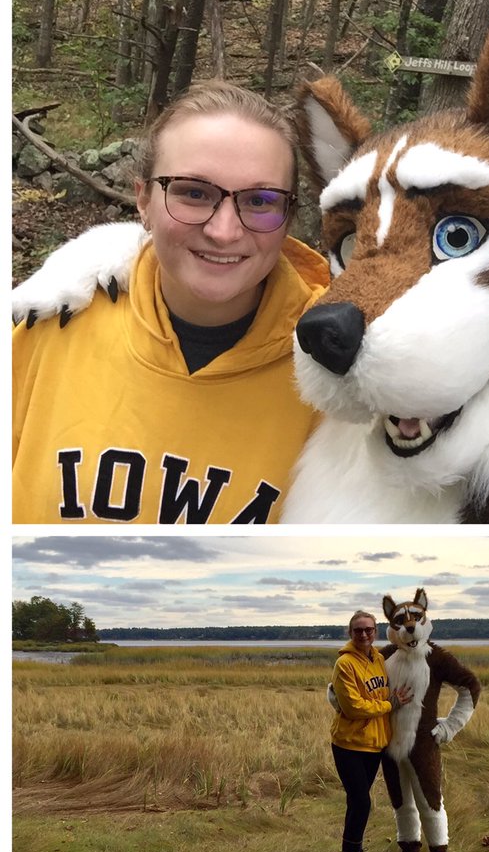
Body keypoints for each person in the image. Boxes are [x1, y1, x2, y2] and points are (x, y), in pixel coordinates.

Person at [12, 80, 330, 524]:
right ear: (143, 199)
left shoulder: (335, 375)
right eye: (194, 193)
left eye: (259, 200)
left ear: (289, 216)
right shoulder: (41, 334)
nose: (224, 231)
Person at [329, 610, 412, 852]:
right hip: (349, 744)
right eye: (358, 630)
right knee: (361, 801)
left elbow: (382, 691)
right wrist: (390, 704)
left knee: (358, 802)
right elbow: (353, 707)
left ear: (375, 631)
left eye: (369, 629)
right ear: (350, 632)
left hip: (374, 744)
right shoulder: (344, 664)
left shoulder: (378, 659)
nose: (364, 634)